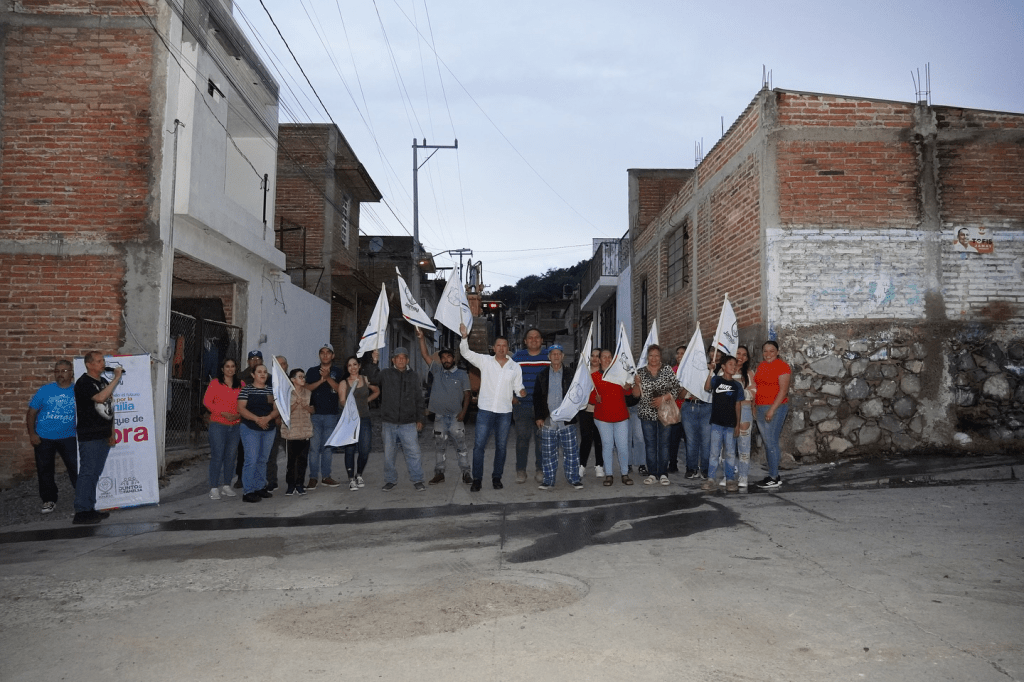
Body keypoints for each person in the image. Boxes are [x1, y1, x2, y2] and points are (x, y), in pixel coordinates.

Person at [459, 323, 525, 491]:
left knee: (501, 447)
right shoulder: (485, 361)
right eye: (498, 345)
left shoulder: (515, 367)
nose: (501, 348)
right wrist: (464, 337)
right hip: (485, 411)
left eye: (504, 346)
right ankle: (477, 479)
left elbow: (518, 387)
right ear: (493, 348)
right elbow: (466, 353)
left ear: (508, 348)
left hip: (505, 413)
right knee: (479, 446)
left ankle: (497, 477)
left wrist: (521, 392)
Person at [72, 351, 123, 524]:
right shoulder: (84, 383)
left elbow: (110, 406)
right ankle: (81, 511)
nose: (103, 363)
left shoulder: (102, 382)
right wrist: (117, 377)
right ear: (89, 364)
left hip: (103, 433)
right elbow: (100, 398)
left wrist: (111, 432)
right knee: (88, 472)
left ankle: (89, 508)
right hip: (90, 435)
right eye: (99, 361)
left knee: (95, 472)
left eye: (103, 360)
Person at [416, 329, 472, 486]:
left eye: (449, 357)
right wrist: (421, 338)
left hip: (456, 417)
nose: (446, 360)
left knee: (461, 446)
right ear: (440, 360)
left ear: (454, 358)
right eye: (443, 357)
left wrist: (463, 412)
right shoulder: (437, 370)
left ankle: (466, 473)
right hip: (439, 417)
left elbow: (467, 395)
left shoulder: (462, 374)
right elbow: (425, 355)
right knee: (440, 447)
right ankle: (439, 473)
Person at [26, 359, 78, 514]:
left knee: (76, 468)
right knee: (45, 470)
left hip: (69, 436)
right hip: (44, 437)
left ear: (71, 373)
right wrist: (32, 434)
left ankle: (82, 498)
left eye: (64, 371)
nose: (60, 374)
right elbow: (31, 413)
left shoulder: (77, 390)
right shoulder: (45, 390)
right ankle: (48, 500)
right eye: (57, 371)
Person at [533, 344, 583, 490]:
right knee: (548, 453)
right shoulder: (542, 375)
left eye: (558, 354)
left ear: (562, 356)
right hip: (548, 420)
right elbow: (537, 397)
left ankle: (574, 479)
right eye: (553, 354)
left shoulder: (571, 374)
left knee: (571, 452)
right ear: (549, 357)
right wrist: (539, 417)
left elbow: (578, 393)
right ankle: (548, 480)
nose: (556, 356)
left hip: (567, 420)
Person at [377, 347, 426, 491]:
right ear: (393, 360)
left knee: (414, 453)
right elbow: (372, 379)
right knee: (389, 455)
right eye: (398, 357)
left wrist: (420, 419)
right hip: (389, 422)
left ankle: (417, 479)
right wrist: (374, 362)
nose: (401, 360)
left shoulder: (414, 376)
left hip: (408, 423)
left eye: (403, 357)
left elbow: (419, 399)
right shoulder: (385, 374)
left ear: (407, 360)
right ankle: (390, 480)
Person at [632, 345, 681, 486]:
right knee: (650, 445)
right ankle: (652, 473)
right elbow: (635, 395)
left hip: (665, 413)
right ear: (647, 357)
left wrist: (663, 398)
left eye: (656, 355)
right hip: (646, 414)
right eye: (651, 355)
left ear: (661, 357)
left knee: (664, 444)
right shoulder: (640, 372)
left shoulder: (667, 369)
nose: (653, 358)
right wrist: (636, 384)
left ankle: (663, 474)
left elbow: (677, 388)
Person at [511, 328, 549, 483]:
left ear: (542, 340)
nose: (534, 340)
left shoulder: (548, 356)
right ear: (525, 341)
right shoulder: (517, 357)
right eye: (530, 337)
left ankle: (540, 470)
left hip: (543, 408)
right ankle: (521, 471)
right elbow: (507, 377)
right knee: (522, 440)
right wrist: (511, 397)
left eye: (537, 337)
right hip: (522, 406)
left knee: (542, 440)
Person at [592, 349, 634, 486]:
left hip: (621, 416)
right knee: (607, 445)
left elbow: (628, 393)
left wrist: (628, 387)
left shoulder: (620, 373)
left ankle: (624, 473)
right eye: (604, 357)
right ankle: (609, 474)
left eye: (609, 357)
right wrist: (595, 398)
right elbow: (588, 397)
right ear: (599, 360)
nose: (607, 359)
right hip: (602, 418)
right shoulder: (594, 377)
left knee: (623, 446)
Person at [237, 363, 279, 502]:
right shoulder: (246, 390)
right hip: (250, 428)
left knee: (263, 460)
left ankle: (260, 487)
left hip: (268, 429)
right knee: (251, 459)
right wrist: (257, 419)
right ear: (253, 374)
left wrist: (268, 418)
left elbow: (277, 409)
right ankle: (248, 491)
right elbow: (241, 409)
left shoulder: (272, 391)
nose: (262, 374)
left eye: (265, 372)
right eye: (259, 372)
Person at [202, 357, 242, 501]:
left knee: (231, 456)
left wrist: (239, 414)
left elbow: (245, 402)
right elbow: (207, 402)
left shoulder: (241, 384)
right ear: (222, 369)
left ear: (236, 368)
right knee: (217, 456)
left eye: (232, 366)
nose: (230, 369)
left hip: (235, 425)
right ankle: (214, 487)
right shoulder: (215, 383)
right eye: (227, 366)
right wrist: (222, 413)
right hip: (218, 425)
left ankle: (226, 485)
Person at [753, 340, 791, 489]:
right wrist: (755, 406)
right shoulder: (761, 366)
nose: (768, 354)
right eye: (765, 351)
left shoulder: (782, 366)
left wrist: (772, 410)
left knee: (771, 442)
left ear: (777, 352)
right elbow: (757, 386)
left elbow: (783, 391)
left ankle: (774, 477)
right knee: (768, 442)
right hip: (761, 407)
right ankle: (773, 474)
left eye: (771, 351)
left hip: (776, 408)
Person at [305, 343, 344, 489]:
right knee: (314, 448)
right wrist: (321, 381)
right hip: (315, 415)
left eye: (328, 352)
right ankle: (313, 477)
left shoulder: (338, 372)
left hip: (331, 415)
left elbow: (340, 389)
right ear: (319, 355)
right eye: (322, 352)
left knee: (328, 448)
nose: (325, 355)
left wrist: (327, 378)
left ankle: (326, 476)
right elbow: (306, 388)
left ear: (333, 355)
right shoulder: (312, 371)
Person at [702, 354, 743, 493]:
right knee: (714, 452)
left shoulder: (737, 386)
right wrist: (711, 372)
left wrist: (737, 424)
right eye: (730, 364)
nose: (733, 367)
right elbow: (706, 387)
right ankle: (711, 478)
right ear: (724, 367)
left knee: (730, 453)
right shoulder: (716, 380)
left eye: (735, 365)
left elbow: (738, 405)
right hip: (716, 423)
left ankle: (730, 479)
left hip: (731, 424)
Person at [339, 355, 380, 490]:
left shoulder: (365, 379)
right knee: (350, 449)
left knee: (365, 449)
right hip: (350, 420)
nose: (352, 368)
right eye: (349, 365)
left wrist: (366, 400)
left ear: (359, 366)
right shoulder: (344, 383)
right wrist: (350, 408)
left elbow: (376, 391)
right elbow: (342, 401)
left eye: (355, 364)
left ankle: (359, 474)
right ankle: (351, 479)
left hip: (364, 418)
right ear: (347, 368)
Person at [681, 347, 715, 480]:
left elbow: (711, 389)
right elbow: (680, 395)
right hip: (689, 407)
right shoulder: (686, 372)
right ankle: (691, 468)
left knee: (706, 441)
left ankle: (705, 469)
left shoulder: (711, 372)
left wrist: (710, 371)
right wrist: (687, 383)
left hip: (707, 407)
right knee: (690, 441)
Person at [232, 350, 263, 488]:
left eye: (258, 359)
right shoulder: (240, 377)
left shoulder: (266, 376)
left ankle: (259, 479)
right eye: (252, 359)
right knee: (243, 451)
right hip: (244, 419)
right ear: (248, 361)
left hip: (262, 419)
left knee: (261, 452)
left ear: (262, 361)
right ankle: (241, 478)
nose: (255, 361)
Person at [281, 368, 314, 496]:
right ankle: (291, 485)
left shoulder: (308, 393)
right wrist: (295, 404)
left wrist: (306, 406)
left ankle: (300, 484)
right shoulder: (286, 394)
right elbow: (284, 412)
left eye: (304, 377)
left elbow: (313, 410)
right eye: (300, 377)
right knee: (291, 462)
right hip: (291, 433)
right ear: (293, 379)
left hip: (305, 431)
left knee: (302, 460)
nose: (303, 379)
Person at [577, 347, 604, 479]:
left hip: (600, 411)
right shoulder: (583, 373)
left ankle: (599, 465)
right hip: (585, 410)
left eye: (597, 356)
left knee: (599, 439)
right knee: (586, 438)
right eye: (592, 355)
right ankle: (582, 465)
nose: (594, 358)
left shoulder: (605, 374)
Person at [733, 345, 757, 489]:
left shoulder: (749, 373)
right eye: (738, 353)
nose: (740, 357)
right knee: (728, 446)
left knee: (743, 445)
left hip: (745, 410)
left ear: (747, 358)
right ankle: (728, 475)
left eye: (744, 355)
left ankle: (743, 476)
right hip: (727, 412)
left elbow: (753, 392)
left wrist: (738, 393)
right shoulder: (724, 372)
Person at [667, 344, 687, 473]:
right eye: (678, 353)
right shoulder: (671, 370)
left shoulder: (692, 371)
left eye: (682, 353)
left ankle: (691, 466)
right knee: (673, 439)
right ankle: (672, 463)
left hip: (689, 409)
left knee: (689, 440)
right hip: (674, 410)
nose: (679, 356)